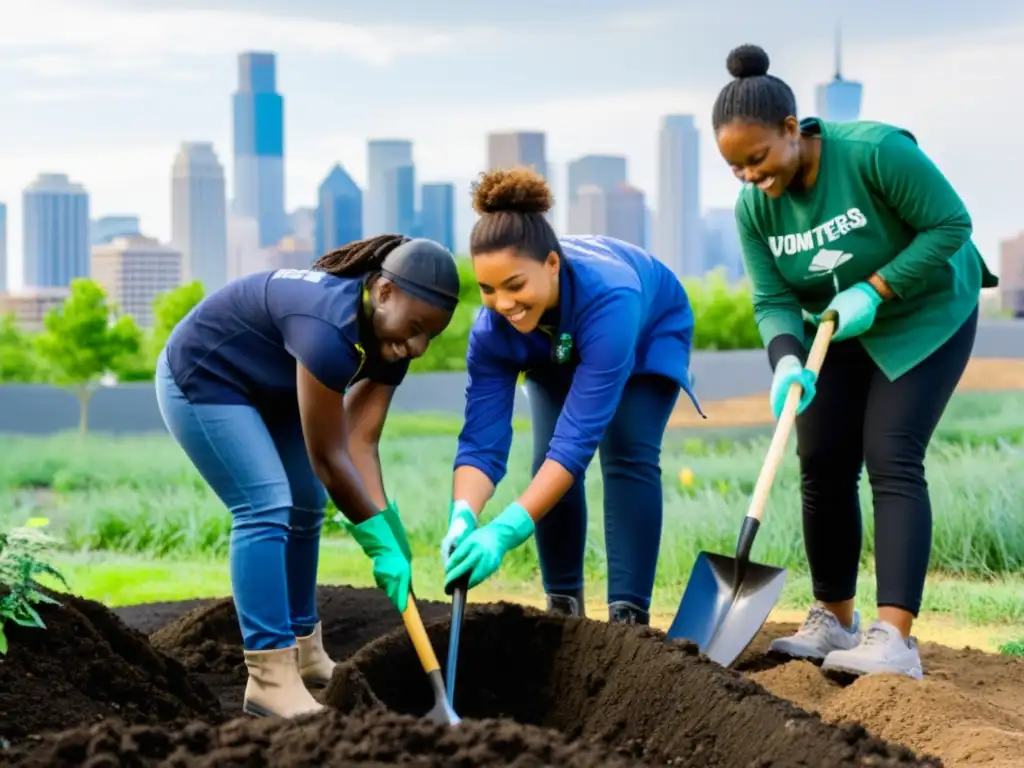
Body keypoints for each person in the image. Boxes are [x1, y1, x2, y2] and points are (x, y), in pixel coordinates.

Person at [712, 44, 999, 679]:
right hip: (834, 328)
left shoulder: (874, 153)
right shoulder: (753, 208)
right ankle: (834, 619)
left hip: (925, 313)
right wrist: (787, 361)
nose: (750, 177)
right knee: (820, 459)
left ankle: (893, 638)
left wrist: (877, 288)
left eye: (757, 159)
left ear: (792, 130)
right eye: (734, 167)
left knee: (890, 453)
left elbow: (951, 224)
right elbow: (773, 297)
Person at [155, 234, 460, 717]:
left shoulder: (390, 342)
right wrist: (373, 540)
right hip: (205, 374)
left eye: (432, 335)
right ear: (383, 292)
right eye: (417, 327)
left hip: (269, 388)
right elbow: (329, 457)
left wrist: (387, 526)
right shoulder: (330, 329)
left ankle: (306, 652)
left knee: (306, 502)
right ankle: (270, 678)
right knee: (265, 505)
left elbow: (360, 439)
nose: (419, 346)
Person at [438, 166, 704, 626]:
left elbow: (577, 441)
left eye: (515, 285)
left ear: (552, 265)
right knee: (546, 462)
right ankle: (563, 608)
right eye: (487, 288)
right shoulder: (493, 332)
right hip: (551, 346)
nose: (503, 302)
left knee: (626, 452)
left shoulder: (611, 298)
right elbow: (482, 440)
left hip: (643, 336)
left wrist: (506, 530)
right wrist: (463, 513)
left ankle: (628, 616)